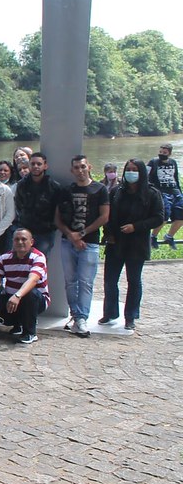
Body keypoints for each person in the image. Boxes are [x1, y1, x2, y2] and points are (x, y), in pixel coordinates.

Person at [100, 158, 163, 331]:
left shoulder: (152, 193)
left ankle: (130, 316)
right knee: (110, 280)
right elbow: (107, 215)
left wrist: (136, 226)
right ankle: (110, 313)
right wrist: (109, 233)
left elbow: (158, 218)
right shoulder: (117, 192)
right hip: (116, 242)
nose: (131, 172)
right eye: (128, 169)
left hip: (137, 244)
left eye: (135, 169)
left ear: (141, 172)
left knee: (134, 281)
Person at [54, 155, 109, 338]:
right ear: (72, 170)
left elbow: (104, 216)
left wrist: (82, 234)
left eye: (83, 166)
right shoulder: (66, 190)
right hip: (67, 241)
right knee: (70, 281)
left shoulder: (100, 189)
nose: (80, 170)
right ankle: (75, 315)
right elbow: (57, 219)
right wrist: (71, 235)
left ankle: (82, 318)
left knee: (85, 282)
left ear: (89, 167)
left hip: (90, 243)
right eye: (76, 167)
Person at [0, 229, 50, 345]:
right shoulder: (4, 258)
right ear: (12, 241)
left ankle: (30, 332)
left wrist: (17, 296)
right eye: (17, 239)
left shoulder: (38, 257)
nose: (20, 242)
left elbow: (32, 280)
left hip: (35, 299)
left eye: (24, 239)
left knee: (30, 294)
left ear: (31, 242)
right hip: (11, 299)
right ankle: (16, 324)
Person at [13, 153, 61, 256]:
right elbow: (19, 205)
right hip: (25, 230)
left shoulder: (54, 187)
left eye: (39, 164)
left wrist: (52, 226)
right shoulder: (22, 185)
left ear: (45, 166)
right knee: (21, 259)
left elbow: (58, 210)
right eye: (33, 164)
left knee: (40, 260)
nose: (35, 166)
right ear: (29, 165)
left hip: (45, 233)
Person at [148, 143, 183, 248]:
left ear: (169, 153)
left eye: (164, 152)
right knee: (165, 214)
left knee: (181, 215)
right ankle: (153, 236)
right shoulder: (153, 162)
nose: (161, 154)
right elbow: (145, 175)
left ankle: (169, 236)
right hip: (160, 191)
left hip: (175, 191)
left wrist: (180, 192)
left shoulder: (173, 162)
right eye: (160, 152)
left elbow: (175, 178)